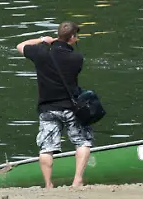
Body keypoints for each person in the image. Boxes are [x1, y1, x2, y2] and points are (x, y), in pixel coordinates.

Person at [17, 21, 92, 188]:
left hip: (47, 108)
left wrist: (43, 40)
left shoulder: (41, 53)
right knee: (83, 142)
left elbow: (21, 45)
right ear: (72, 37)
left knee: (46, 148)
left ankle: (48, 185)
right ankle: (77, 180)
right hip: (72, 108)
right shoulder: (77, 58)